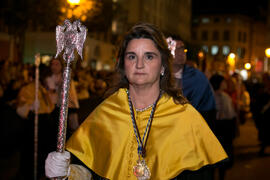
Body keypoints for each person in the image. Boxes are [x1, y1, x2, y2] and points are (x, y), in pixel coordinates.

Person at [45, 23, 227, 180]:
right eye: (132, 56)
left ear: (163, 65)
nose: (139, 64)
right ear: (124, 65)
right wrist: (68, 172)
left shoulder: (185, 117)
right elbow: (91, 172)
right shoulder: (107, 111)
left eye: (149, 56)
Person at [169, 38, 217, 131]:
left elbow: (207, 108)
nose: (181, 53)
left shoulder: (197, 77)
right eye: (175, 49)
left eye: (183, 49)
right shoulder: (157, 76)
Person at [209, 74, 237, 180]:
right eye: (223, 82)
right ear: (219, 83)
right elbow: (230, 115)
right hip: (223, 130)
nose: (225, 84)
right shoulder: (224, 97)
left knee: (213, 159)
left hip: (214, 130)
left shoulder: (210, 95)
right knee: (222, 159)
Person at [45, 57, 80, 139]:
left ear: (61, 66)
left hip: (64, 108)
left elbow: (71, 95)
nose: (54, 67)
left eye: (56, 64)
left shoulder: (66, 77)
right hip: (50, 109)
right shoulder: (48, 78)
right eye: (52, 64)